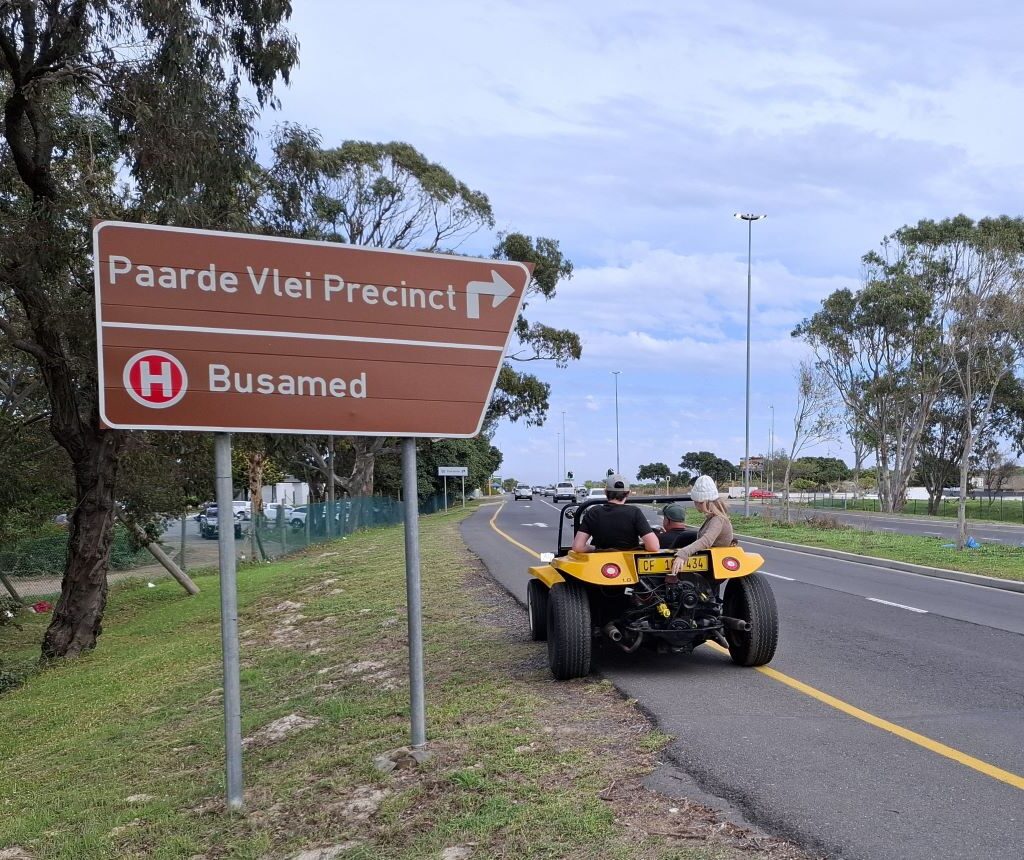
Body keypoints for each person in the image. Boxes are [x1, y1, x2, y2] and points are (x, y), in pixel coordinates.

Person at [572, 474, 660, 553]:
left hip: (599, 563)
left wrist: (596, 548)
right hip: (628, 564)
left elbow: (578, 547)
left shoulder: (594, 512)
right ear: (628, 493)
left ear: (606, 492)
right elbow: (653, 547)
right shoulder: (634, 512)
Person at [670, 475, 735, 574]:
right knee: (685, 536)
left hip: (714, 563)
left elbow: (706, 541)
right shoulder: (713, 517)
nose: (695, 505)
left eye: (696, 502)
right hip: (711, 557)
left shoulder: (718, 519)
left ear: (704, 502)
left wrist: (683, 554)